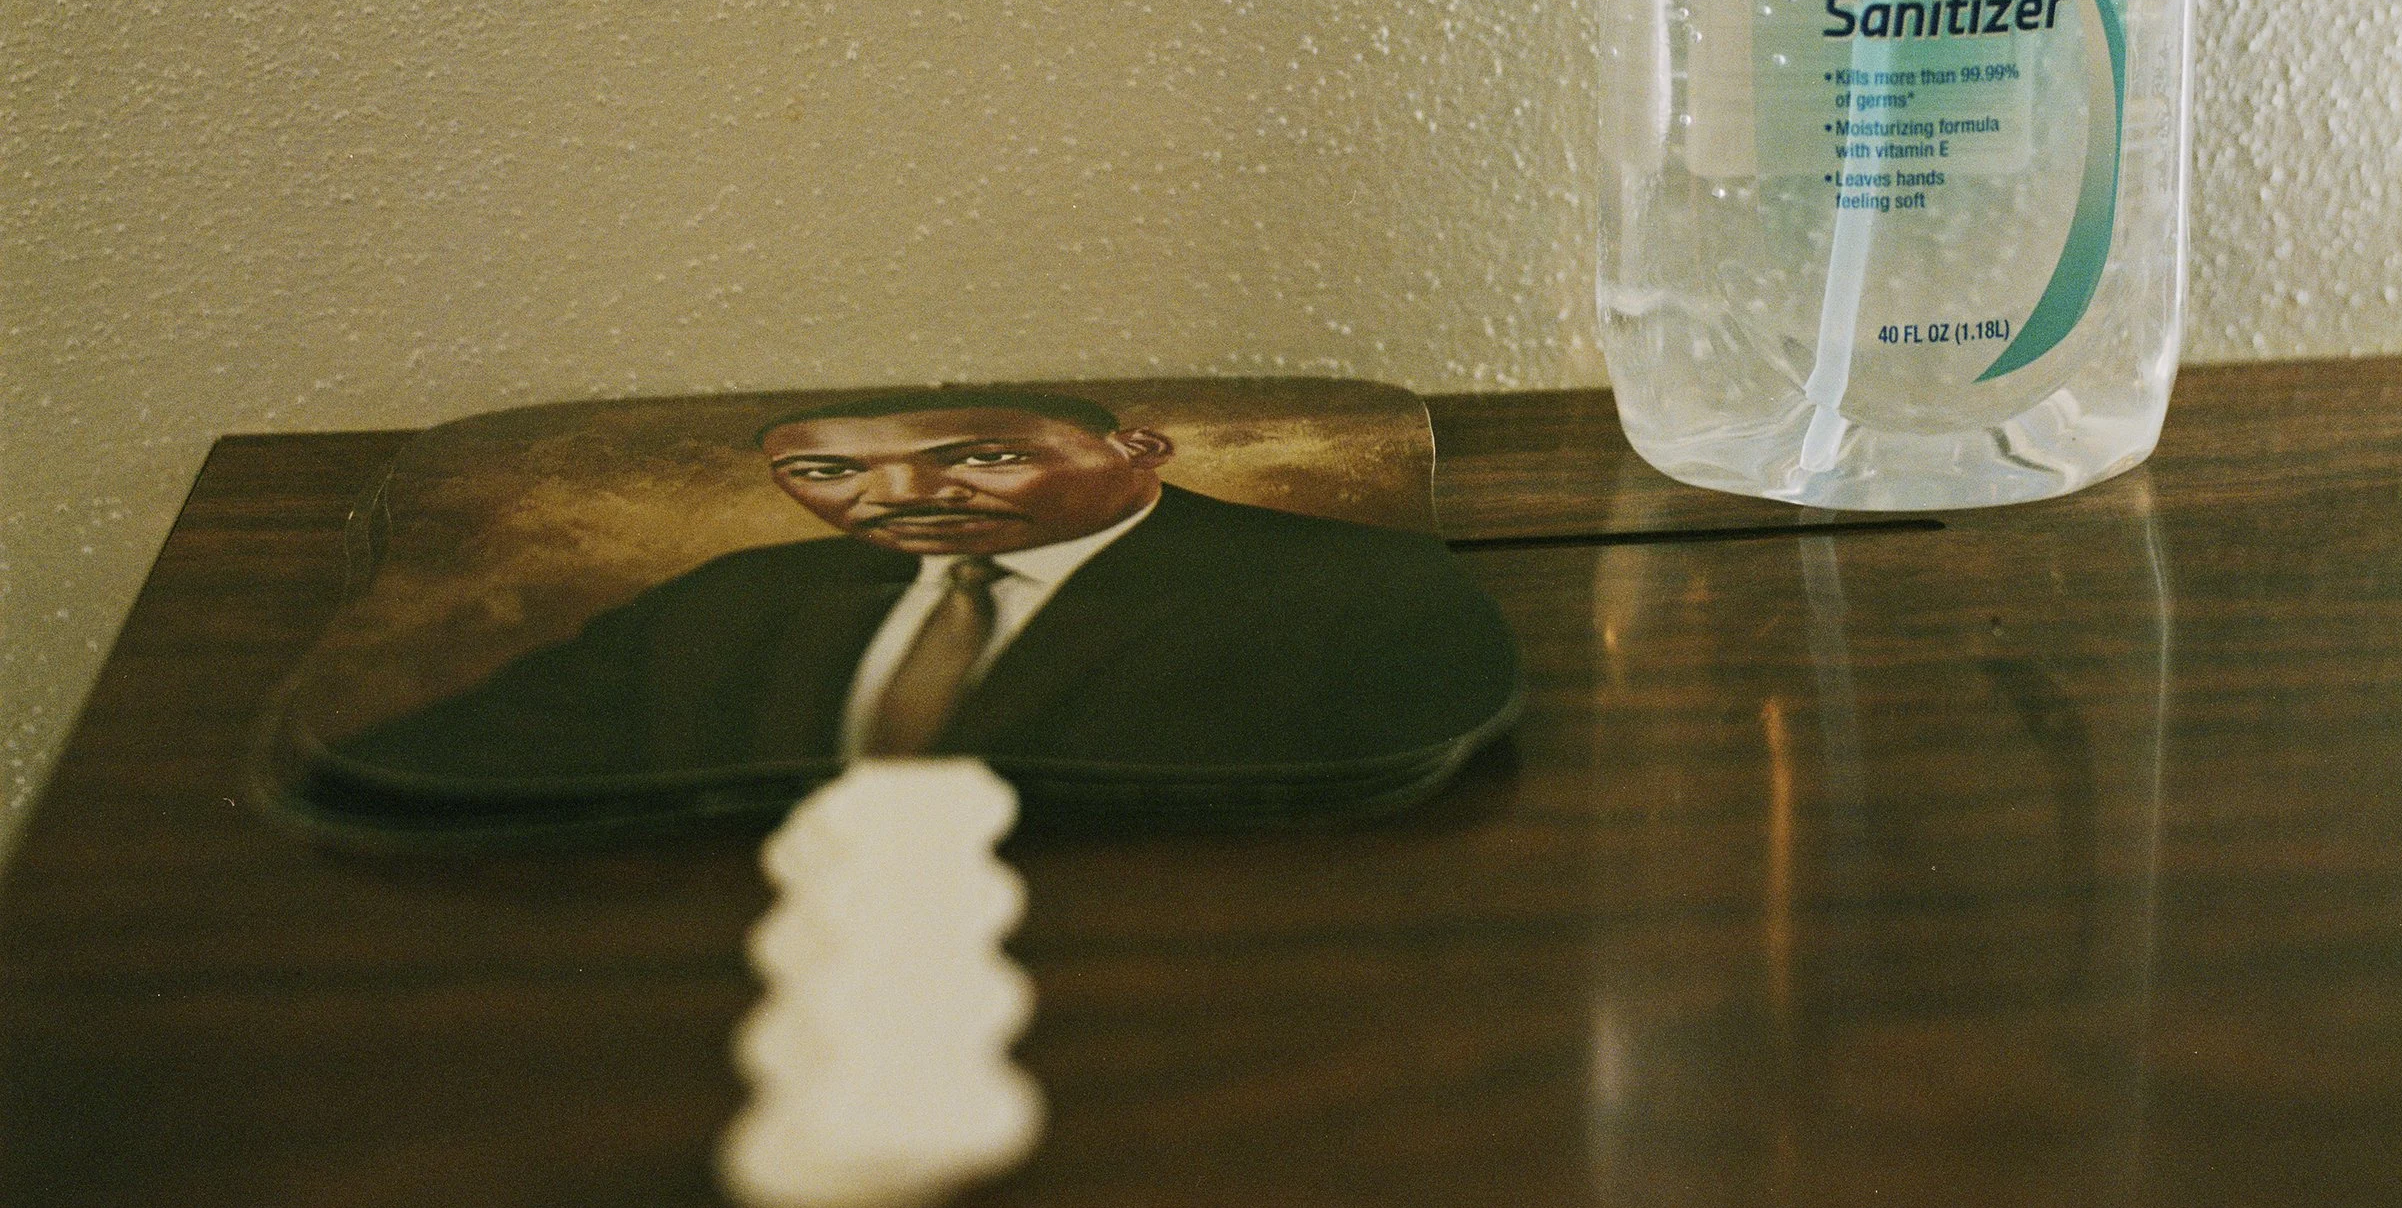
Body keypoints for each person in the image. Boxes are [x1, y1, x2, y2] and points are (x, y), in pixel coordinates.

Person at [334, 391, 1518, 807]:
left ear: (1141, 446)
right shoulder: (733, 600)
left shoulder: (1351, 585)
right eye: (829, 472)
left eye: (984, 455)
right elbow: (456, 759)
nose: (899, 498)